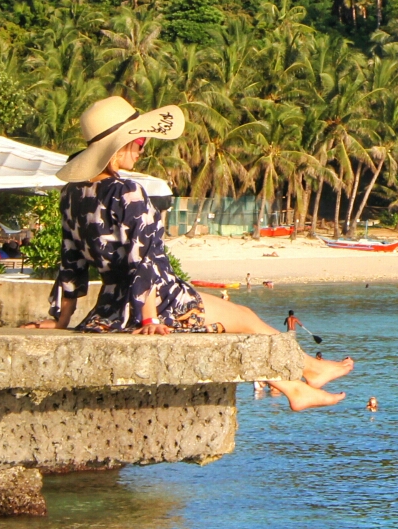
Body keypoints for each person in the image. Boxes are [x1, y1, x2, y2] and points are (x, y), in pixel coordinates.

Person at [25, 97, 351, 411]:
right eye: (138, 143)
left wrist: (60, 319)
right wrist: (149, 317)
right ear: (115, 151)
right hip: (163, 300)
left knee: (239, 321)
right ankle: (307, 374)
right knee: (246, 319)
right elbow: (144, 260)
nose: (142, 149)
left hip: (110, 308)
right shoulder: (128, 192)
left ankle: (300, 382)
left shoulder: (72, 195)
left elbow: (71, 260)